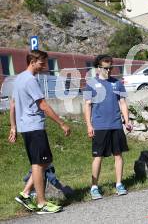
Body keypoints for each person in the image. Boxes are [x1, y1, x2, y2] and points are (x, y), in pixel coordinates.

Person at [8, 50, 70, 214]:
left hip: (26, 127)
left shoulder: (19, 78)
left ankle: (26, 193)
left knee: (42, 162)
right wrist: (61, 123)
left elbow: (13, 104)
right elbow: (43, 105)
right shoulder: (30, 80)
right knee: (39, 163)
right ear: (32, 61)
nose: (44, 66)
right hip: (34, 126)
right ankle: (41, 202)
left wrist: (13, 126)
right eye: (42, 63)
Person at [83, 54, 132, 200]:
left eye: (111, 67)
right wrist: (89, 125)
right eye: (106, 68)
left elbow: (122, 102)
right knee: (98, 156)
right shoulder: (90, 84)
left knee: (118, 155)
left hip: (116, 125)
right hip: (99, 126)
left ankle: (119, 184)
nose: (109, 70)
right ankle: (94, 187)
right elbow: (87, 106)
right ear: (98, 68)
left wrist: (127, 120)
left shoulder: (117, 83)